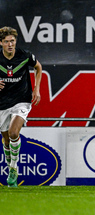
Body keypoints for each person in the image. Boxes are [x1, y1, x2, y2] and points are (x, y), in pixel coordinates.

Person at [0, 26, 42, 187]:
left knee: (13, 132)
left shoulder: (24, 55)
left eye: (12, 41)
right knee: (5, 140)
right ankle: (11, 165)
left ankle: (13, 169)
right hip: (2, 103)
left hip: (21, 100)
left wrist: (36, 89)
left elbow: (38, 67)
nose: (10, 44)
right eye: (6, 42)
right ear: (1, 43)